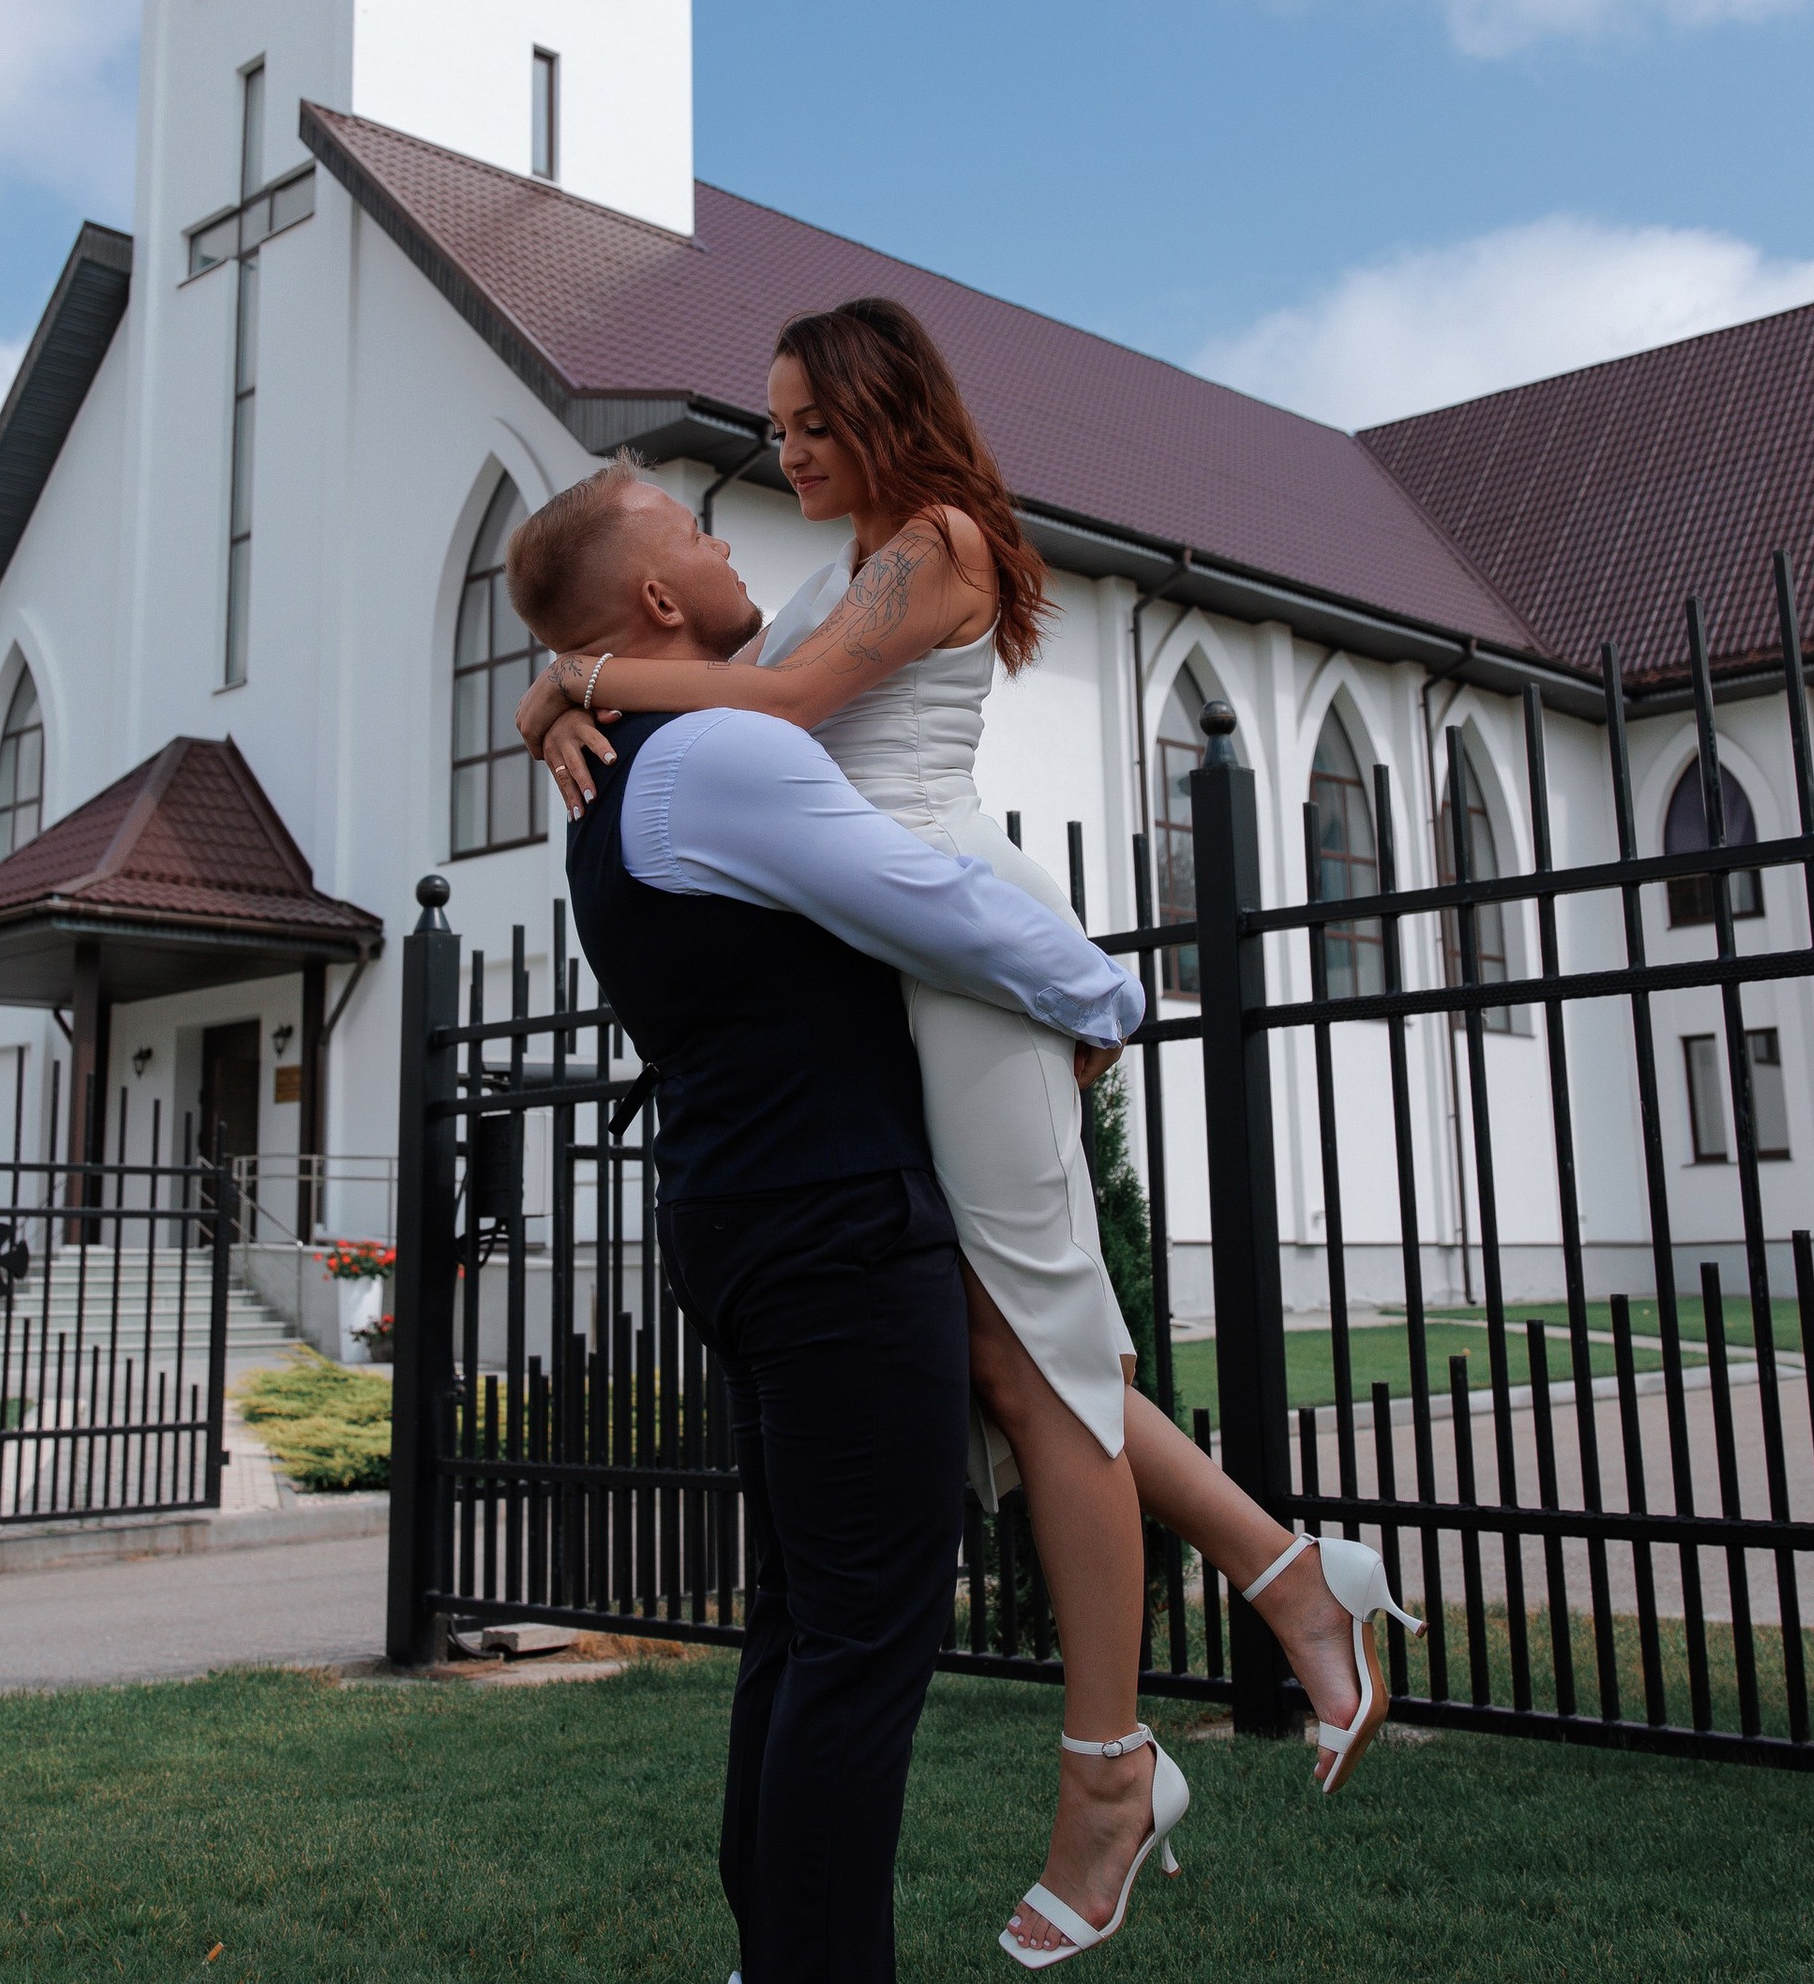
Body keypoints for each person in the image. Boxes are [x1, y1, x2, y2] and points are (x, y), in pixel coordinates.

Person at [518, 301, 1421, 1964]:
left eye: (804, 424)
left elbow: (775, 708)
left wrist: (574, 679)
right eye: (769, 428)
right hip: (913, 970)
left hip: (966, 940)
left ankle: (1115, 1764)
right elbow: (733, 689)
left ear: (882, 412)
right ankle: (1289, 1583)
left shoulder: (934, 540)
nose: (778, 455)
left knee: (1041, 1358)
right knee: (1013, 1350)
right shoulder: (844, 562)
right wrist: (563, 693)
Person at [501, 462, 1158, 1984]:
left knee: (805, 1630)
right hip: (835, 1229)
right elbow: (919, 892)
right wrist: (1105, 993)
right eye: (700, 533)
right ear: (660, 597)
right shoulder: (716, 757)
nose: (735, 543)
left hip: (749, 1219)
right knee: (862, 1645)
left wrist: (554, 690)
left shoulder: (629, 763)